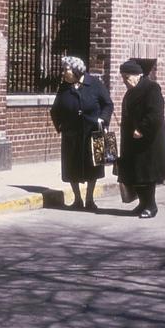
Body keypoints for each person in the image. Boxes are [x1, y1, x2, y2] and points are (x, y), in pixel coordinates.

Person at [50, 55, 114, 211]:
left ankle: (90, 200)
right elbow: (55, 108)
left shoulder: (95, 84)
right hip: (71, 134)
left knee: (93, 166)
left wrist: (103, 120)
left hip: (92, 131)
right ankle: (77, 199)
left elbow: (108, 104)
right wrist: (60, 126)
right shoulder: (64, 86)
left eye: (66, 70)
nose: (63, 73)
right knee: (71, 166)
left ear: (76, 71)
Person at [116, 59, 165, 218]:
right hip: (132, 140)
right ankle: (142, 204)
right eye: (123, 77)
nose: (124, 81)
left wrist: (141, 129)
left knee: (147, 175)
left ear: (138, 75)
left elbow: (155, 114)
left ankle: (151, 206)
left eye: (127, 77)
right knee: (135, 174)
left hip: (148, 141)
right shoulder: (131, 91)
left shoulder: (151, 88)